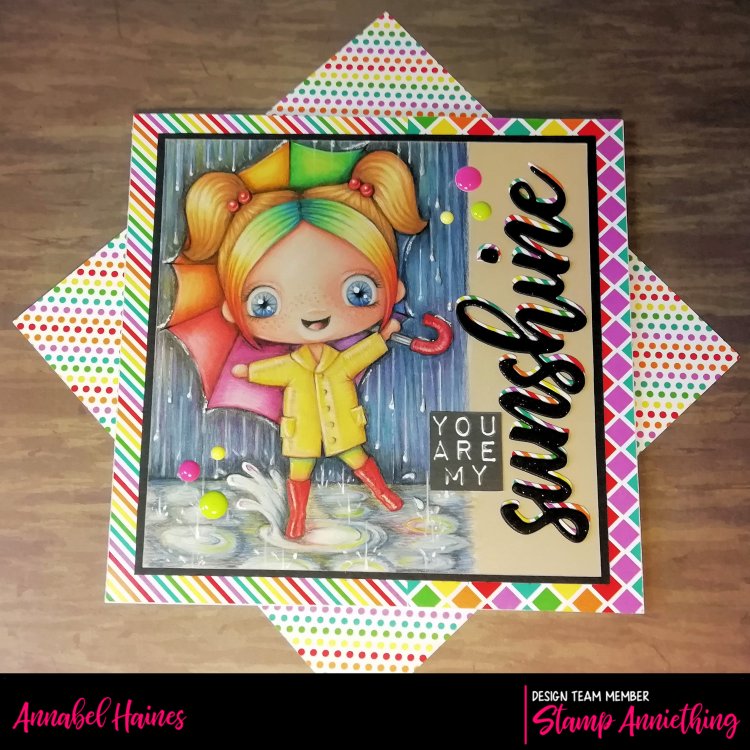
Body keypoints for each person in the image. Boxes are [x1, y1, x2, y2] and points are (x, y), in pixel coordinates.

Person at [180, 145, 426, 539]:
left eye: (358, 291)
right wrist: (246, 372)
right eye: (264, 303)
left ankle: (383, 493)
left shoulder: (337, 360)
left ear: (393, 289)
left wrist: (383, 336)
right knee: (300, 470)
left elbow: (360, 354)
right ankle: (297, 517)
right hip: (301, 432)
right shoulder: (291, 367)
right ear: (231, 309)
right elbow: (267, 371)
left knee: (357, 457)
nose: (314, 315)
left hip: (343, 426)